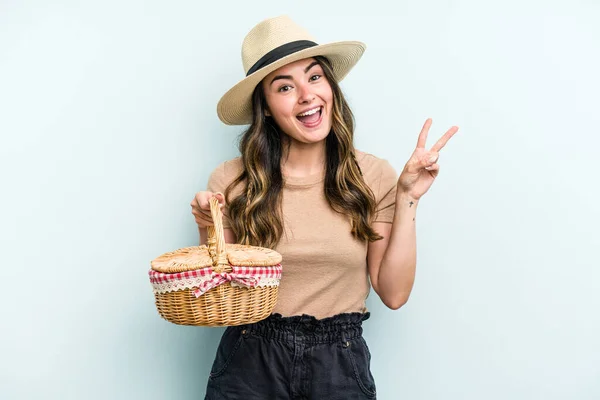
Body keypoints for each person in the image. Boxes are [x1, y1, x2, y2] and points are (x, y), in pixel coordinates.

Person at [190, 15, 458, 400]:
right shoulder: (231, 181)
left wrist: (408, 196)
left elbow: (394, 294)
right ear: (265, 107)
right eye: (284, 87)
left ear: (331, 87)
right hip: (251, 359)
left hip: (339, 362)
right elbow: (221, 294)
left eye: (314, 77)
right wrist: (208, 225)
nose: (306, 95)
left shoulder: (373, 175)